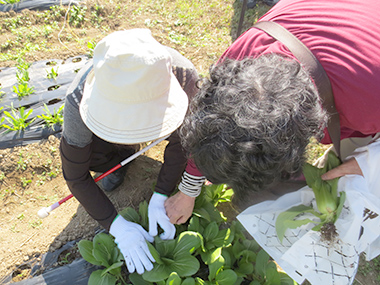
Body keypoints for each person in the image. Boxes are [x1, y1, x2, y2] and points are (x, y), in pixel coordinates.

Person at [179, 0, 380, 202]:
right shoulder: (239, 62)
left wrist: (368, 162)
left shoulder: (370, 99)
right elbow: (210, 131)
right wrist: (189, 189)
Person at [59, 28, 204, 275]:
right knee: (94, 155)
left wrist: (162, 192)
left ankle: (130, 148)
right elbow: (75, 176)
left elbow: (187, 140)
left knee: (187, 133)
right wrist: (116, 226)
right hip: (100, 143)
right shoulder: (78, 100)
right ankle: (116, 160)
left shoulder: (184, 77)